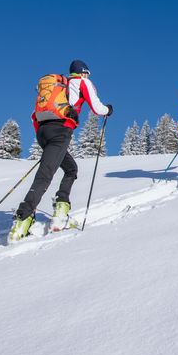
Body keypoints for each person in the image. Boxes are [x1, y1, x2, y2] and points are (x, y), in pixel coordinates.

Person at [9, 60, 112, 241]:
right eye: (87, 73)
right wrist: (108, 110)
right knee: (45, 176)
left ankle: (61, 211)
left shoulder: (57, 87)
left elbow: (37, 115)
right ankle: (23, 219)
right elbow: (97, 108)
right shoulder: (82, 82)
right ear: (83, 72)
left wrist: (46, 140)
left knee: (71, 169)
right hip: (60, 131)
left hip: (43, 132)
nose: (87, 76)